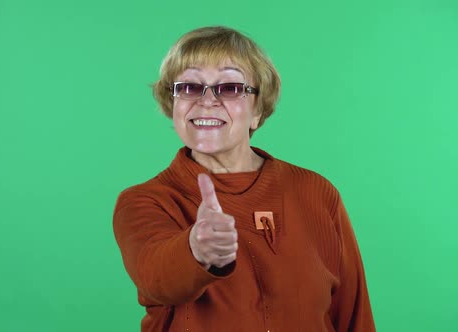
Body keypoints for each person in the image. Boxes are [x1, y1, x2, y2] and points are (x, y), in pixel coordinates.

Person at [113, 26, 375, 332]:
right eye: (189, 87)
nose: (207, 101)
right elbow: (156, 277)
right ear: (173, 106)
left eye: (230, 87)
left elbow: (353, 314)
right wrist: (196, 250)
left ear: (257, 111)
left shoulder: (317, 193)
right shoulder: (144, 201)